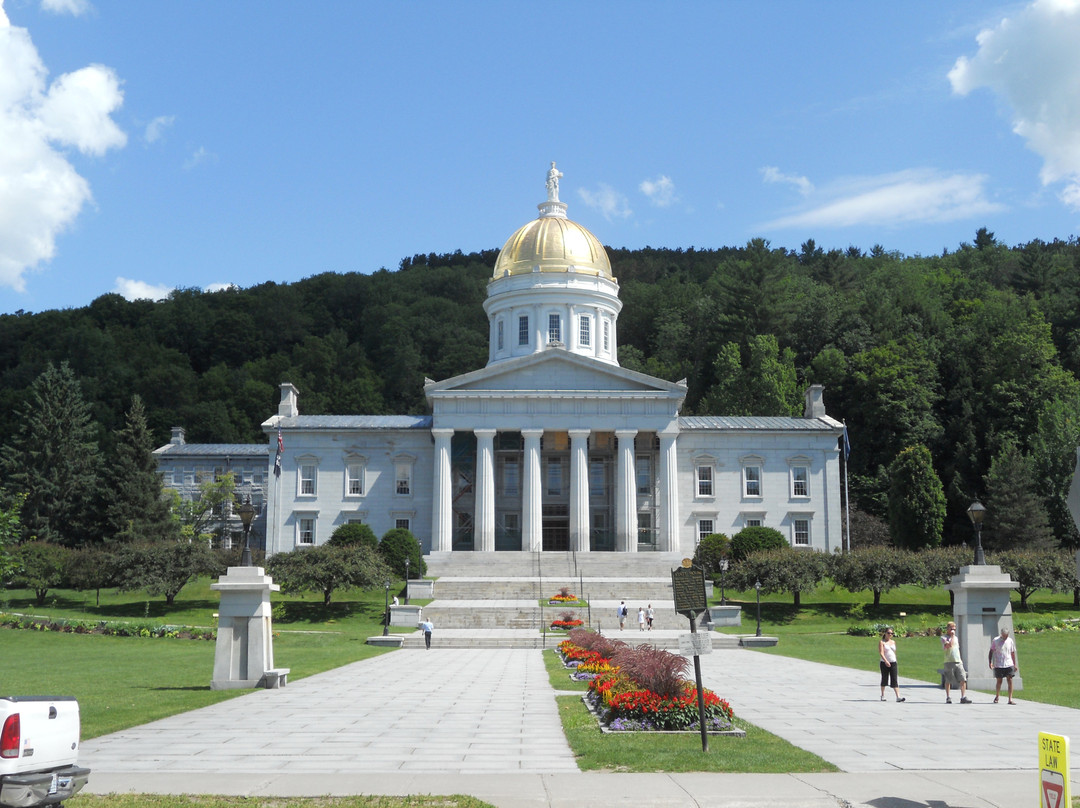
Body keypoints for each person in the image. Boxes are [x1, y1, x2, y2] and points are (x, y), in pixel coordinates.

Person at [942, 621, 971, 704]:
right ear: (947, 629)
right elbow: (948, 646)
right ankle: (948, 697)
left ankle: (963, 697)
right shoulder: (944, 638)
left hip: (958, 661)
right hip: (949, 661)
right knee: (948, 680)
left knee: (963, 678)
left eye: (954, 629)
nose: (953, 630)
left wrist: (954, 636)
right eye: (951, 628)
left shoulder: (956, 638)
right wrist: (951, 636)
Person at [989, 627, 1019, 704]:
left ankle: (1010, 699)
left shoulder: (1010, 641)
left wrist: (1014, 664)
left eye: (1007, 635)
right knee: (999, 681)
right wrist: (990, 662)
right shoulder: (995, 640)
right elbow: (991, 651)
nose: (1005, 637)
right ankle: (997, 696)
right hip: (999, 664)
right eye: (1004, 635)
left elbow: (1012, 653)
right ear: (1001, 634)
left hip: (1009, 663)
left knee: (1010, 680)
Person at [878, 627, 905, 702]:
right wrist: (886, 661)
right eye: (888, 633)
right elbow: (881, 653)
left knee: (894, 679)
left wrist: (895, 659)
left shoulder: (893, 642)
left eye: (891, 633)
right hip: (884, 663)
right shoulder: (882, 642)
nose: (890, 634)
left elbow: (894, 652)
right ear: (885, 633)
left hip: (893, 662)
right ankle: (882, 695)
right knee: (884, 678)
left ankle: (898, 696)